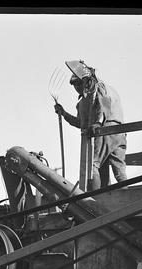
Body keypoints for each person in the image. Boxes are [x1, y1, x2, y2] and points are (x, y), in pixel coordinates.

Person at [54, 60, 127, 190]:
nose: (77, 88)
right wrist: (64, 114)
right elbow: (81, 123)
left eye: (79, 84)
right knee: (117, 169)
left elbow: (104, 106)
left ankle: (93, 201)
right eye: (75, 85)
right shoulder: (84, 101)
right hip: (116, 134)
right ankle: (120, 196)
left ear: (86, 80)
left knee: (92, 165)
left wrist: (98, 123)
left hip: (106, 131)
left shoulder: (100, 88)